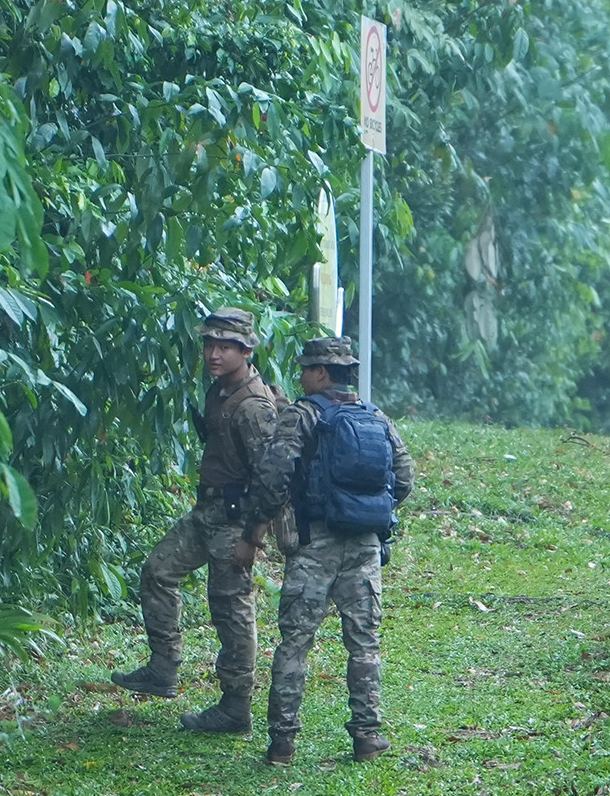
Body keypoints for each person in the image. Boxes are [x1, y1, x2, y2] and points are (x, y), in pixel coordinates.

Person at [236, 334, 410, 765]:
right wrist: (364, 508)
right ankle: (367, 737)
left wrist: (259, 523)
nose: (300, 378)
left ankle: (283, 742)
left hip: (315, 542)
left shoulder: (304, 415)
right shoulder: (376, 417)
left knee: (295, 642)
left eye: (304, 370)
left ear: (319, 373)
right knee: (365, 644)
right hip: (365, 545)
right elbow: (404, 478)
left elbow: (273, 475)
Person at [109, 309, 284, 735]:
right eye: (209, 344)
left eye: (225, 346)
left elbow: (272, 477)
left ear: (246, 350)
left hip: (235, 522)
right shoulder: (219, 391)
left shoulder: (253, 406)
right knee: (157, 571)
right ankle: (163, 668)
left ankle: (235, 707)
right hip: (206, 513)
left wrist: (253, 537)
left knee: (231, 610)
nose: (214, 353)